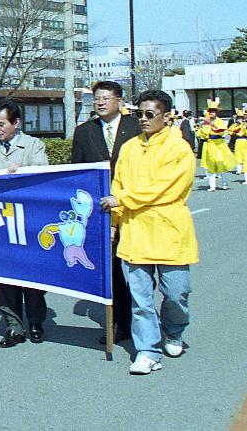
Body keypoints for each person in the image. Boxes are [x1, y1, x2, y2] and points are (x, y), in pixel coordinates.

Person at [100, 90, 198, 376]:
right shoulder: (129, 148)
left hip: (169, 231)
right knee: (141, 300)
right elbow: (117, 186)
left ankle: (174, 330)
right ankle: (147, 350)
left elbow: (167, 188)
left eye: (149, 114)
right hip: (135, 233)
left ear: (166, 117)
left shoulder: (180, 149)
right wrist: (115, 223)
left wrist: (124, 200)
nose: (142, 119)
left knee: (177, 294)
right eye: (138, 114)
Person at [0, 99, 50, 348]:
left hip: (27, 222)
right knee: (4, 277)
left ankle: (36, 320)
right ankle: (13, 326)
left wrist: (24, 169)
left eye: (1, 124)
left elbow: (44, 173)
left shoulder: (33, 145)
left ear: (16, 123)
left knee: (31, 275)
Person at [70, 80, 140, 343]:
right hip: (101, 212)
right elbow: (77, 172)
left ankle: (141, 313)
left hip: (134, 208)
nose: (100, 102)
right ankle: (119, 323)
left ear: (119, 101)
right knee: (110, 270)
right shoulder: (84, 131)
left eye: (106, 98)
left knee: (139, 269)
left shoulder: (135, 127)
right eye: (96, 98)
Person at [195, 98, 232, 191]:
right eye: (210, 111)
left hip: (218, 144)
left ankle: (224, 183)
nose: (211, 113)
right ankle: (212, 186)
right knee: (210, 165)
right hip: (209, 144)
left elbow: (222, 131)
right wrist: (201, 128)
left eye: (213, 111)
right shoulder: (206, 122)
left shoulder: (220, 121)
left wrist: (213, 125)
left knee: (220, 163)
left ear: (216, 113)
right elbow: (202, 134)